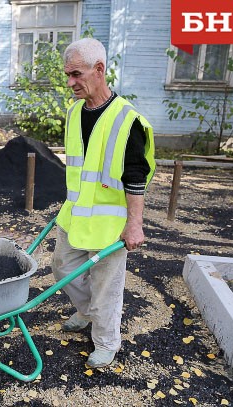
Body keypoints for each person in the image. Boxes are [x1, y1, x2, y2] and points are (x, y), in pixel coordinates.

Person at [52, 38, 155, 368]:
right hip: (76, 214)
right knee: (62, 268)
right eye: (67, 75)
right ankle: (86, 311)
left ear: (99, 70)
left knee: (107, 286)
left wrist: (135, 223)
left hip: (111, 222)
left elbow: (136, 174)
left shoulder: (127, 120)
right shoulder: (73, 113)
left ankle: (107, 341)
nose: (70, 83)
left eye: (76, 74)